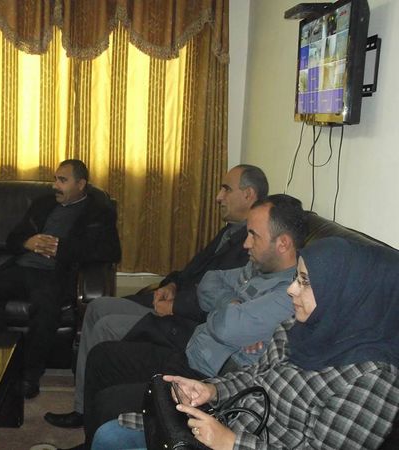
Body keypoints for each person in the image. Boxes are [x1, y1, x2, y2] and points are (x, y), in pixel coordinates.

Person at [93, 236, 399, 449]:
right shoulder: (299, 326)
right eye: (296, 277)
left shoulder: (373, 379)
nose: (291, 289)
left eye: (304, 282)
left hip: (236, 439)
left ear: (348, 295)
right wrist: (211, 390)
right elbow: (255, 377)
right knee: (110, 433)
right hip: (228, 420)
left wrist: (231, 442)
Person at [67, 194, 307, 450]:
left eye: (253, 235)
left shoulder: (288, 294)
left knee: (109, 401)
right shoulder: (257, 268)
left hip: (204, 378)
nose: (246, 244)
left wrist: (226, 312)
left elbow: (226, 328)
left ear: (282, 243)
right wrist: (232, 304)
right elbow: (209, 282)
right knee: (101, 357)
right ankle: (90, 441)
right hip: (189, 352)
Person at [45, 164, 268, 429]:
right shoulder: (230, 230)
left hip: (183, 321)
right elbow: (193, 272)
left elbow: (221, 302)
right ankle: (83, 407)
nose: (219, 197)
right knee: (97, 307)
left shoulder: (251, 247)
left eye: (226, 189)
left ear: (248, 194)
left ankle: (92, 412)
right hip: (174, 301)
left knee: (105, 326)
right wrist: (171, 283)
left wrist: (176, 305)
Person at [0, 159, 121, 399]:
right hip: (21, 267)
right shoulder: (43, 204)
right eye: (55, 179)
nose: (55, 186)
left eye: (62, 180)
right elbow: (12, 239)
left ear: (81, 184)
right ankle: (1, 365)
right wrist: (27, 242)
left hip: (54, 274)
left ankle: (30, 375)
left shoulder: (98, 212)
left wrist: (62, 248)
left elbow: (110, 252)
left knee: (45, 307)